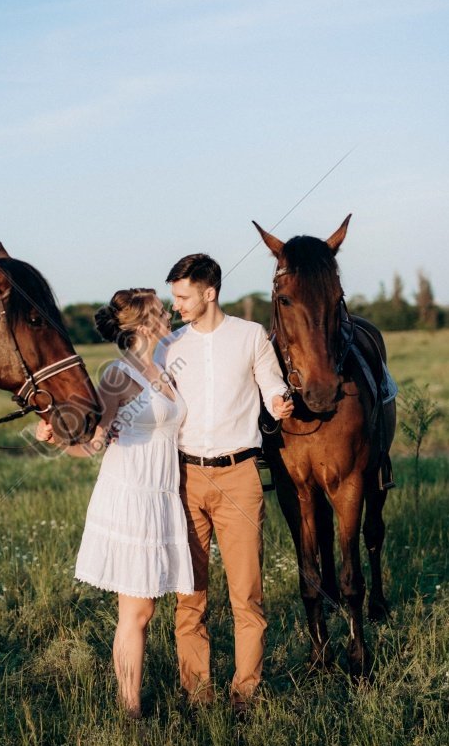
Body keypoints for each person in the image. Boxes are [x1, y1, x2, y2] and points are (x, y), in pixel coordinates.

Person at [36, 288, 194, 718]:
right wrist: (55, 435)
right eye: (162, 313)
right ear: (143, 326)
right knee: (137, 611)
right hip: (130, 495)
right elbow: (92, 444)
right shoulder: (117, 376)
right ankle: (130, 712)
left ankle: (136, 702)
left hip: (163, 496)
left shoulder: (165, 366)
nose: (169, 317)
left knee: (148, 607)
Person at [155, 253, 293, 715]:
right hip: (185, 477)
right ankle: (196, 693)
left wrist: (280, 402)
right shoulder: (169, 347)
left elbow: (272, 385)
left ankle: (244, 696)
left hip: (240, 475)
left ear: (209, 292)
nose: (176, 306)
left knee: (246, 594)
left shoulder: (251, 337)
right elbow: (148, 404)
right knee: (189, 596)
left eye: (182, 296)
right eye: (175, 297)